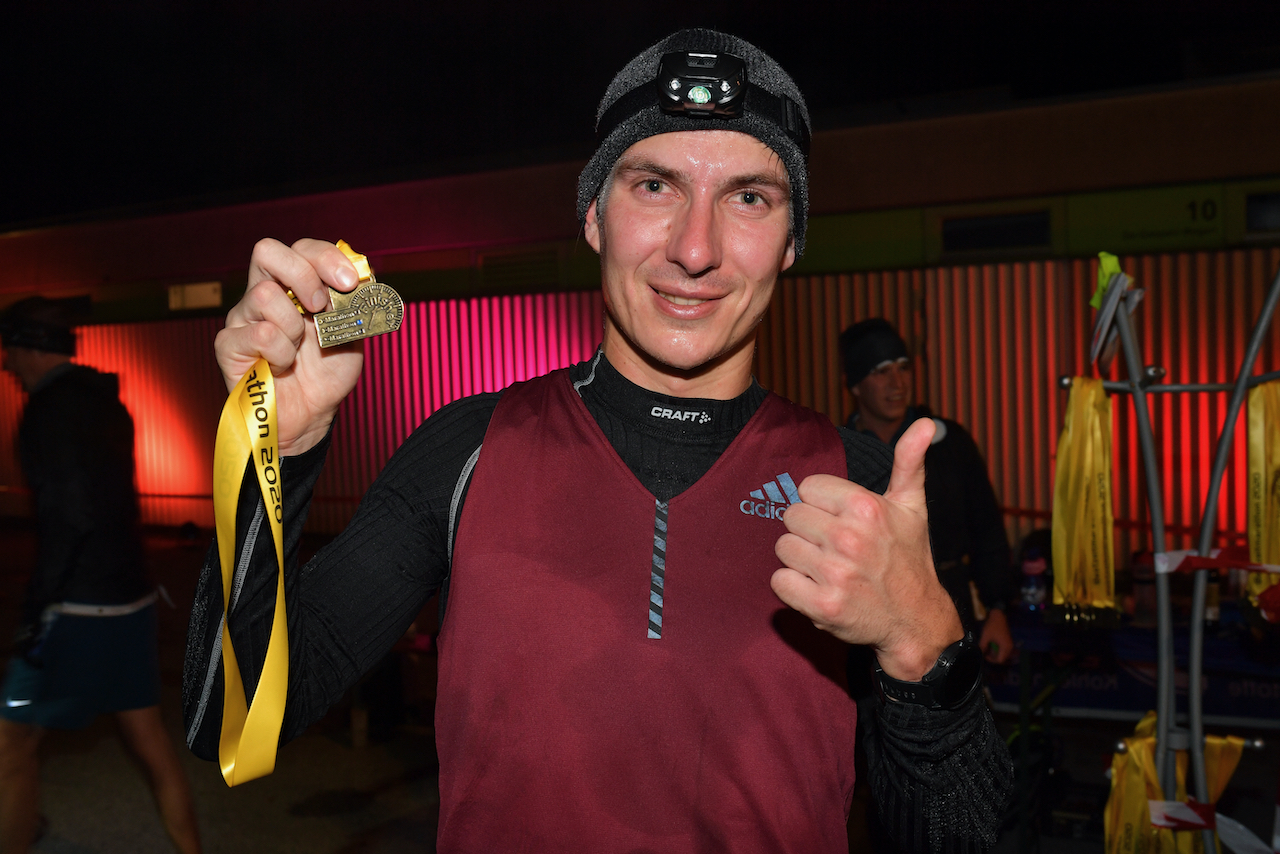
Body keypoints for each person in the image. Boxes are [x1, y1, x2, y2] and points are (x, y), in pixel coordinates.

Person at [183, 29, 1013, 852]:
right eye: (655, 185)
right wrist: (275, 452)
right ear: (592, 217)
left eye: (749, 198)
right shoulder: (469, 453)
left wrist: (923, 649)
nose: (695, 249)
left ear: (793, 242)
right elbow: (227, 720)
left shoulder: (861, 488)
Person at [0, 297, 201, 854]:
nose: (7, 364)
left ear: (29, 347)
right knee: (147, 735)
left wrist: (37, 611)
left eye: (10, 351)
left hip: (76, 608)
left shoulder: (46, 411)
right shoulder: (108, 403)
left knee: (8, 742)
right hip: (131, 598)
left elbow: (72, 515)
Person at [839, 318, 1014, 664]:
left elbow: (987, 528)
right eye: (881, 371)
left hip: (949, 608)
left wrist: (998, 609)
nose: (897, 382)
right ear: (855, 385)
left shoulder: (948, 443)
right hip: (867, 621)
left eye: (903, 367)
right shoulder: (840, 451)